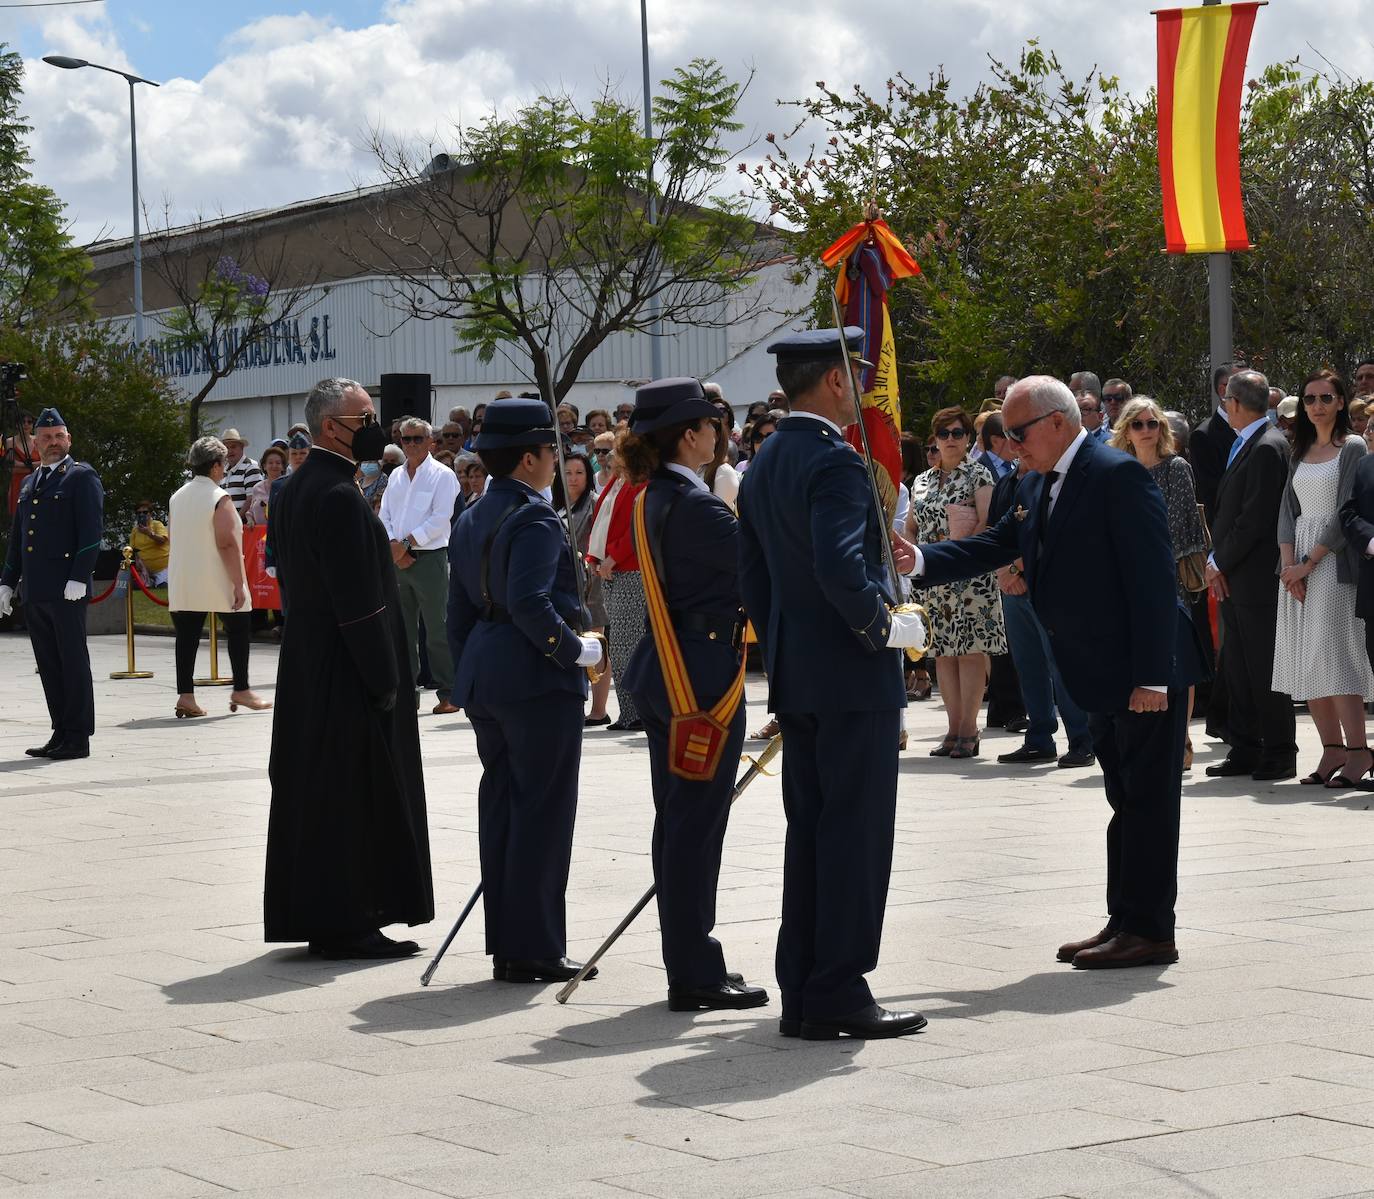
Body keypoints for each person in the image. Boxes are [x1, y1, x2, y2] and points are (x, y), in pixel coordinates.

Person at [915, 376, 1205, 968]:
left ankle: (1152, 930)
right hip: (1097, 668)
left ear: (1056, 422)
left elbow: (1153, 579)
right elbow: (997, 543)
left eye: (1016, 433)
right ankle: (1125, 918)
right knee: (1125, 798)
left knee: (1149, 801)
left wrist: (1152, 675)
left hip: (1142, 670)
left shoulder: (1115, 473)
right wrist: (920, 557)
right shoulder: (1033, 480)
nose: (1008, 443)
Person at [739, 327, 927, 1040]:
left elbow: (754, 581)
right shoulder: (835, 464)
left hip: (802, 677)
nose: (866, 389)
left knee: (812, 834)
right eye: (860, 377)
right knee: (855, 834)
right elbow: (841, 568)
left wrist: (792, 652)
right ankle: (840, 987)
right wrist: (884, 629)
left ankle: (806, 986)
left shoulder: (764, 462)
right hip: (851, 679)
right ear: (835, 383)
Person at [264, 377, 433, 959]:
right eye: (364, 419)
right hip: (346, 669)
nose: (375, 428)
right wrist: (386, 679)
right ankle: (349, 919)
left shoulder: (296, 490)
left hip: (309, 662)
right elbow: (358, 603)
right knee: (350, 793)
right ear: (331, 427)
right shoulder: (335, 496)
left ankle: (325, 913)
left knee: (319, 790)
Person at [619, 378, 767, 1012]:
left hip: (666, 666)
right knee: (695, 828)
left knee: (679, 822)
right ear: (688, 434)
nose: (721, 433)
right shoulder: (698, 508)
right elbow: (760, 574)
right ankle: (693, 971)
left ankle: (688, 960)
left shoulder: (649, 495)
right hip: (699, 682)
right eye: (712, 424)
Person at [447, 398, 601, 984]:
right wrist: (574, 650)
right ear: (532, 457)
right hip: (537, 678)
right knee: (543, 812)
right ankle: (535, 947)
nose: (556, 463)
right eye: (551, 453)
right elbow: (533, 603)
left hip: (490, 675)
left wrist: (470, 675)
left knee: (505, 810)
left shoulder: (472, 515)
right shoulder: (536, 518)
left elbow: (456, 611)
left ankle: (510, 944)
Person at [1273, 370, 1372, 788]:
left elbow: (1345, 512)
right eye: (1310, 398)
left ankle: (1358, 752)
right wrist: (1288, 566)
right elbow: (1286, 510)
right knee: (1305, 660)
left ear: (1340, 401)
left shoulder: (1351, 446)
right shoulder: (1299, 449)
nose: (1317, 405)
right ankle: (1330, 749)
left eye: (1326, 398)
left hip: (1333, 560)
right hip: (1296, 563)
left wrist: (1308, 563)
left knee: (1336, 658)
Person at [1205, 369, 1299, 781]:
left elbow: (1254, 518)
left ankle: (1279, 750)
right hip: (1236, 577)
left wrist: (1217, 561)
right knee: (1239, 669)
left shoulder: (1266, 446)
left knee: (1263, 669)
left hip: (1256, 579)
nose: (1225, 407)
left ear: (1237, 403)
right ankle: (1244, 747)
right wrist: (1219, 561)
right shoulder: (1249, 442)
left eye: (1227, 401)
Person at [1111, 396, 1209, 769]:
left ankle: (1180, 738)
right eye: (1139, 424)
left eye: (1153, 424)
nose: (1147, 430)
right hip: (1124, 579)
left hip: (1169, 577)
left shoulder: (1176, 468)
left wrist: (1156, 568)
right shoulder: (1118, 469)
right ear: (1127, 430)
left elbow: (1185, 527)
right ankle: (1147, 737)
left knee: (1175, 657)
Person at [0, 407, 103, 761]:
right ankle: (60, 730)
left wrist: (79, 575)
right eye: (46, 438)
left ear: (69, 439)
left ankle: (78, 736)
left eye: (59, 436)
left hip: (66, 589)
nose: (53, 443)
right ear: (35, 443)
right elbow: (18, 539)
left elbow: (91, 533)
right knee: (49, 662)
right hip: (38, 590)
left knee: (72, 662)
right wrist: (6, 582)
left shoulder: (80, 477)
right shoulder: (31, 483)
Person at [907, 406, 1006, 758]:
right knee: (943, 655)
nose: (951, 440)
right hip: (934, 578)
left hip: (970, 575)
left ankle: (969, 729)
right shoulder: (922, 480)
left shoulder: (979, 475)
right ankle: (952, 728)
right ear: (934, 438)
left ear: (968, 439)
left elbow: (986, 522)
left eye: (958, 433)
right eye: (944, 434)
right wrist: (914, 556)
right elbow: (912, 527)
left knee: (970, 653)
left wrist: (956, 552)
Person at [989, 438, 1094, 769]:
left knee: (1059, 665)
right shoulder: (1011, 483)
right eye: (1013, 441)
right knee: (1028, 664)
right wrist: (1005, 572)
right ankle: (1039, 737)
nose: (1018, 447)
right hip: (1012, 587)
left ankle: (1082, 739)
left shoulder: (1059, 481)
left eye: (1023, 440)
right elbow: (996, 536)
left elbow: (1053, 537)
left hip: (1044, 588)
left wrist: (1018, 567)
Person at [167, 438, 272, 720]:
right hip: (216, 574)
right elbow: (227, 544)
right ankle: (241, 688)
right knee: (239, 628)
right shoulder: (219, 497)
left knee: (186, 637)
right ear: (215, 466)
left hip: (184, 576)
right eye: (223, 464)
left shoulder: (177, 496)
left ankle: (186, 695)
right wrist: (239, 584)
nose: (224, 469)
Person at [378, 417, 461, 715]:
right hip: (399, 558)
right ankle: (406, 694)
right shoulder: (396, 477)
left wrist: (405, 546)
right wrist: (393, 546)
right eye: (405, 439)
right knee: (403, 631)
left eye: (416, 439)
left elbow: (441, 518)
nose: (410, 444)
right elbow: (384, 514)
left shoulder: (442, 475)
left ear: (431, 442)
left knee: (437, 628)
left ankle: (449, 692)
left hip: (430, 559)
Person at [589, 438, 649, 731]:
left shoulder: (638, 484)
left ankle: (637, 712)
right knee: (620, 645)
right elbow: (602, 520)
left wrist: (612, 558)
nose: (607, 459)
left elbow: (635, 530)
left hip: (629, 569)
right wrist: (594, 555)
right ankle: (629, 712)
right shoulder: (615, 482)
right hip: (610, 570)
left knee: (628, 645)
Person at [553, 450, 610, 726]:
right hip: (565, 583)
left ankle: (599, 708)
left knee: (595, 641)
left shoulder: (595, 503)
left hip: (592, 581)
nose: (573, 478)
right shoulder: (556, 505)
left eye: (579, 473)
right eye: (568, 472)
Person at [219, 430, 263, 521]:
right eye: (226, 448)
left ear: (242, 447)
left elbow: (252, 499)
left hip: (245, 526)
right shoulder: (223, 471)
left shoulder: (251, 468)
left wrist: (236, 520)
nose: (230, 451)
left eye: (233, 447)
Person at [129, 499, 171, 587]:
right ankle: (149, 581)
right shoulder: (135, 530)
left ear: (150, 514)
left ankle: (156, 582)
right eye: (138, 513)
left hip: (162, 568)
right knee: (136, 586)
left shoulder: (157, 524)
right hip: (145, 569)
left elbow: (162, 540)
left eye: (145, 512)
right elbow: (132, 551)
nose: (141, 515)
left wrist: (149, 533)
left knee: (163, 586)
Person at [245, 446, 287, 527]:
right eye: (270, 463)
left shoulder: (288, 487)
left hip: (280, 536)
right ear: (264, 466)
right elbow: (250, 512)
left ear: (282, 466)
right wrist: (250, 520)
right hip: (260, 536)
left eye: (278, 463)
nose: (274, 465)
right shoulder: (256, 488)